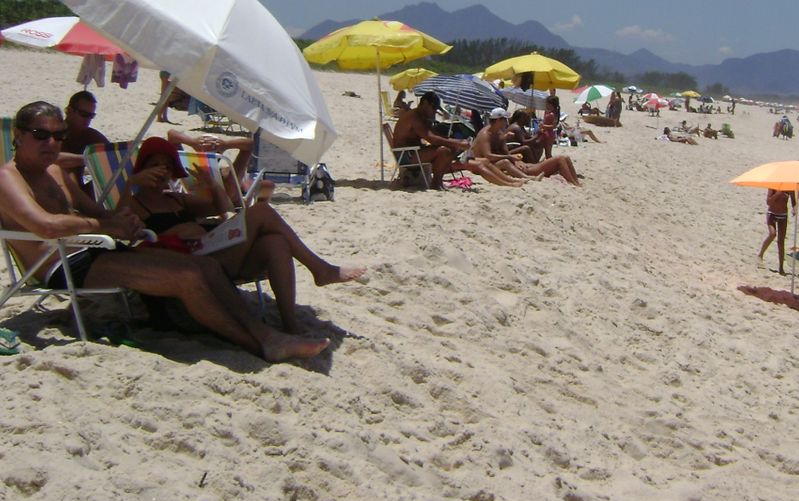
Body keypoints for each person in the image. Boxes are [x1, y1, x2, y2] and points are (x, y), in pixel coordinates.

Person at [0, 102, 328, 362]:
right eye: (41, 135)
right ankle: (258, 343)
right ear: (18, 134)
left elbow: (102, 213)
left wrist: (123, 216)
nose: (52, 143)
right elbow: (43, 225)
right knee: (187, 276)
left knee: (206, 266)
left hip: (96, 248)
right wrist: (103, 227)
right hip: (62, 264)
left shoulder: (56, 171)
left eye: (59, 135)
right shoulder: (7, 179)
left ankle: (266, 334)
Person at [120, 137, 364, 334]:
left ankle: (290, 324)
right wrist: (130, 183)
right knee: (261, 210)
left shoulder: (176, 198)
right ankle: (320, 269)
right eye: (154, 165)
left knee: (275, 243)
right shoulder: (135, 203)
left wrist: (213, 184)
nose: (161, 171)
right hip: (190, 264)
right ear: (142, 169)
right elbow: (118, 224)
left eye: (166, 165)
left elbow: (223, 209)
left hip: (211, 251)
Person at [476, 109, 581, 185]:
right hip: (495, 166)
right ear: (498, 120)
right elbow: (488, 156)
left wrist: (515, 160)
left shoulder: (499, 133)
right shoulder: (485, 134)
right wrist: (511, 158)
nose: (507, 122)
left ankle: (576, 183)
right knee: (560, 159)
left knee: (565, 158)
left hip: (517, 165)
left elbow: (505, 152)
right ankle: (573, 184)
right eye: (504, 119)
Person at [391, 91, 470, 189]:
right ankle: (436, 183)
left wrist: (454, 142)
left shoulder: (420, 116)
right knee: (444, 150)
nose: (434, 111)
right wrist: (457, 143)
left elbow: (433, 134)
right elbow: (432, 138)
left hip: (411, 152)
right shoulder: (414, 117)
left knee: (449, 148)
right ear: (425, 103)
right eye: (433, 108)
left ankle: (437, 182)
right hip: (405, 155)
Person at [757, 188, 793, 275]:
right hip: (772, 214)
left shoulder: (789, 188)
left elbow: (794, 201)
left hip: (783, 215)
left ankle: (781, 267)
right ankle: (760, 254)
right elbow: (768, 202)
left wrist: (795, 209)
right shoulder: (773, 187)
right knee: (772, 234)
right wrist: (778, 194)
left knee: (781, 241)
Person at [537, 95, 560, 159]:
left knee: (548, 153)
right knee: (541, 150)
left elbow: (554, 126)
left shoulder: (553, 114)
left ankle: (551, 166)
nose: (546, 105)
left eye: (547, 104)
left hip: (549, 134)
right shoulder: (549, 112)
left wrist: (543, 126)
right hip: (544, 133)